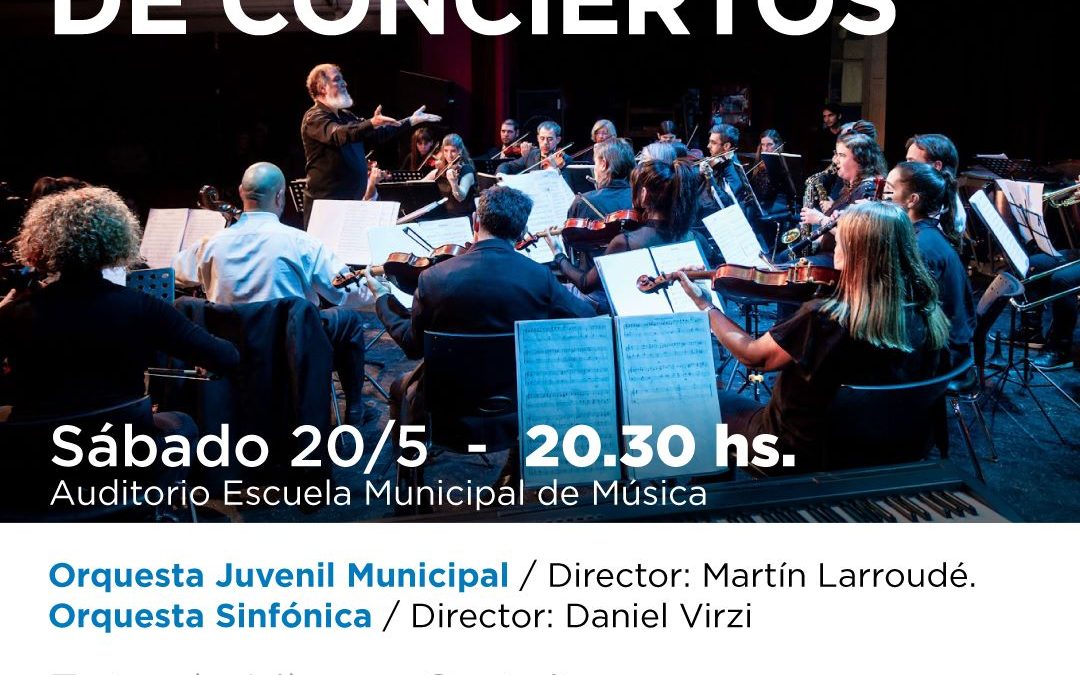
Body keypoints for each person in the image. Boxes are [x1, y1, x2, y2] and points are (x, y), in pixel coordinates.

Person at [675, 201, 951, 473]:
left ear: (855, 255)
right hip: (888, 446)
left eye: (838, 243)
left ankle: (714, 499)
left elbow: (753, 356)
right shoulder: (927, 313)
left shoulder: (827, 319)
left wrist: (705, 305)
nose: (834, 251)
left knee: (706, 403)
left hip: (800, 451)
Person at [0, 187, 239, 432]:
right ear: (117, 240)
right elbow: (226, 357)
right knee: (183, 423)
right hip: (118, 438)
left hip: (38, 443)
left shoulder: (16, 313)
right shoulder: (141, 306)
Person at [363, 185, 595, 424]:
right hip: (515, 400)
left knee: (399, 388)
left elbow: (413, 347)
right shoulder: (539, 277)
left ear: (475, 221)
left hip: (448, 399)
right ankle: (513, 448)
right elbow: (587, 317)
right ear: (522, 232)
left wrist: (383, 298)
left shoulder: (432, 278)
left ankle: (416, 448)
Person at [173, 162, 374, 426]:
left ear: (241, 192)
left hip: (229, 348)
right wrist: (380, 290)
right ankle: (355, 408)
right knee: (349, 320)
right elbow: (347, 293)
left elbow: (174, 274)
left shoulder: (208, 244)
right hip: (290, 347)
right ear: (280, 196)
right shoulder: (302, 243)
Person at [546, 159, 712, 313]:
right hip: (687, 313)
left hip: (634, 314)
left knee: (548, 290)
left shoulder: (626, 242)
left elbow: (585, 284)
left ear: (644, 195)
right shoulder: (697, 238)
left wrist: (558, 254)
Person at [300, 63, 442, 226]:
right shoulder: (314, 118)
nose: (345, 83)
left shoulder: (346, 116)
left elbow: (377, 134)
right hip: (327, 207)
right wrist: (371, 123)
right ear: (322, 87)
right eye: (337, 80)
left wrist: (410, 121)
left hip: (351, 202)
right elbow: (340, 134)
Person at [885, 161, 976, 366]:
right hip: (945, 342)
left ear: (912, 200)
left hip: (941, 353)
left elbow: (907, 310)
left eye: (889, 191)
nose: (883, 197)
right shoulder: (925, 233)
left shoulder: (920, 247)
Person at [799, 133, 886, 258]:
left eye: (842, 155)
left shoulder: (868, 190)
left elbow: (855, 237)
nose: (835, 161)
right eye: (837, 154)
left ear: (860, 160)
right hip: (829, 252)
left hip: (841, 259)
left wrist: (820, 219)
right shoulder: (851, 187)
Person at [905, 133, 967, 238]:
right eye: (907, 160)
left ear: (936, 166)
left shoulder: (936, 207)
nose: (904, 167)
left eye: (912, 162)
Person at [425, 133, 476, 218]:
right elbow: (420, 183)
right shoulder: (440, 170)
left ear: (460, 151)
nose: (449, 155)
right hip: (443, 216)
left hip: (461, 217)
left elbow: (460, 197)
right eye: (446, 150)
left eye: (453, 151)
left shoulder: (467, 170)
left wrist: (454, 182)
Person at [497, 121, 566, 174]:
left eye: (550, 139)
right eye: (542, 138)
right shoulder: (532, 155)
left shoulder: (565, 160)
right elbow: (506, 166)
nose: (545, 142)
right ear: (538, 138)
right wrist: (500, 175)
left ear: (558, 140)